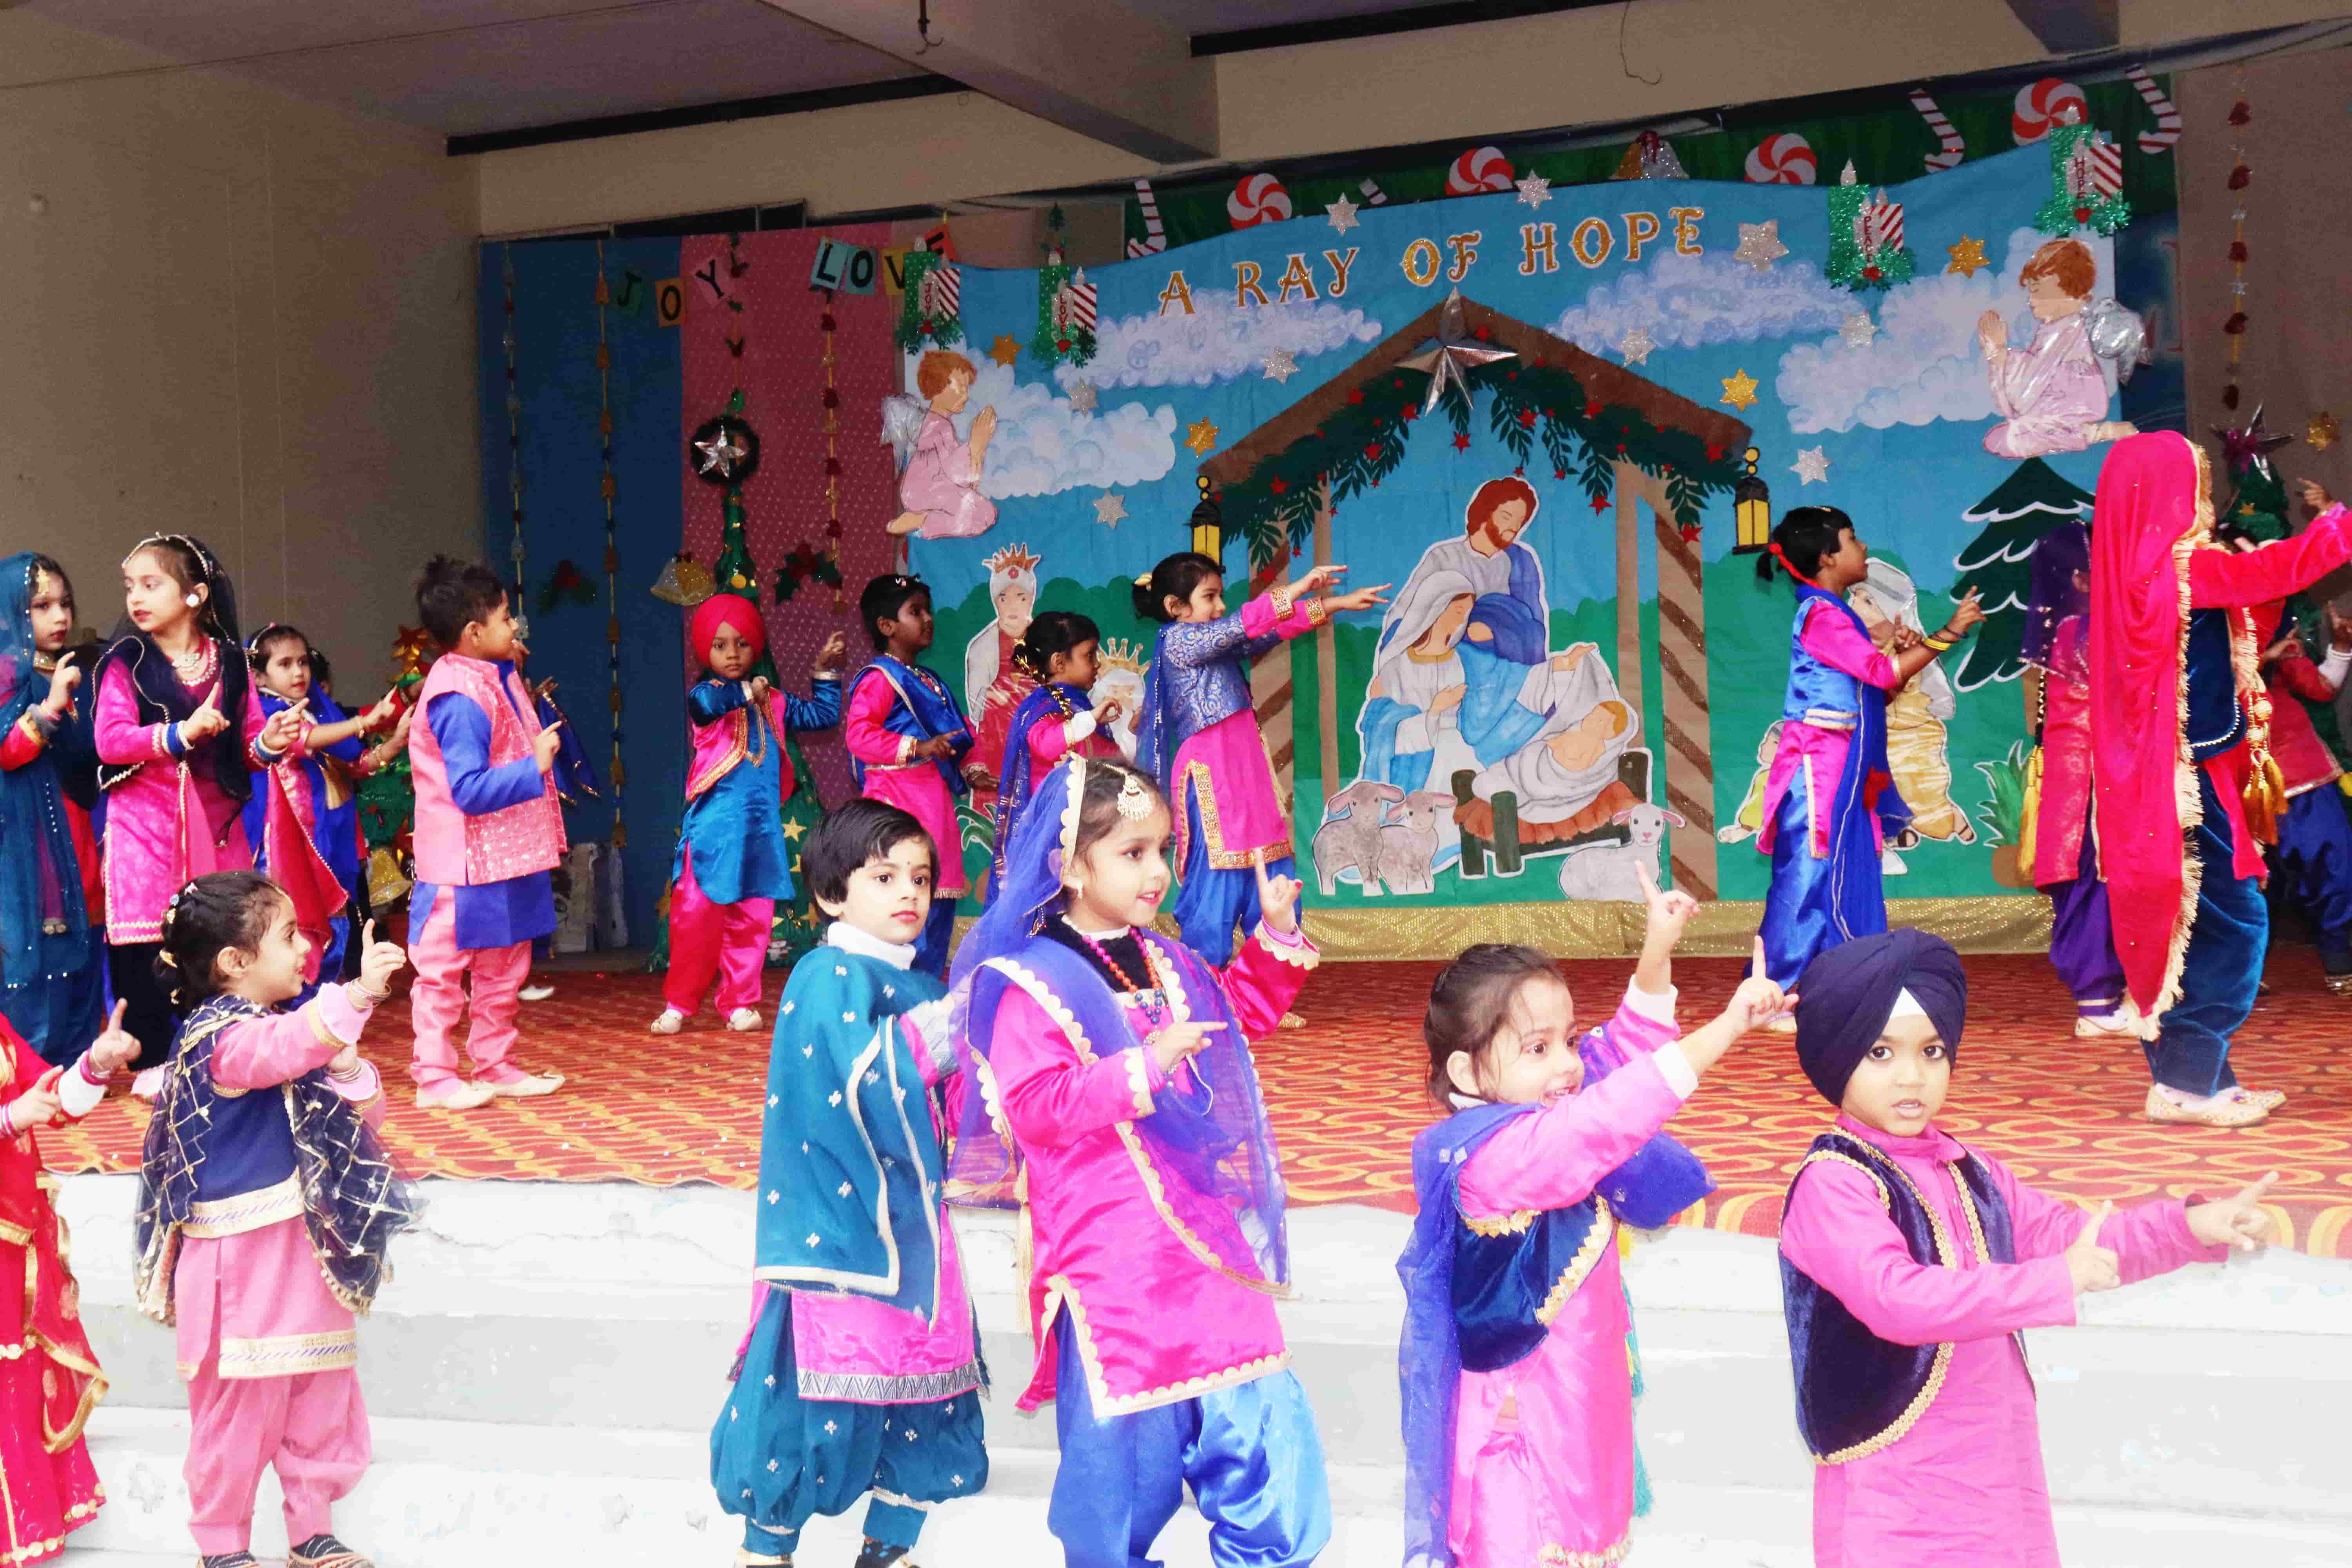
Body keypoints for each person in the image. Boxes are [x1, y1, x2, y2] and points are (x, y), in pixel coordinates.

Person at [1777, 927, 2276, 1568]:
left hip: (1995, 1462)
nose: (1912, 1076)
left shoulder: (1972, 1171)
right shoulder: (1835, 1183)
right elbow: (1898, 1300)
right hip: (1893, 1480)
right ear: (1836, 1056)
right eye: (1880, 1052)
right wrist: (2055, 1281)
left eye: (1932, 1051)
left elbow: (2073, 1239)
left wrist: (2192, 1227)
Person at [946, 757, 1328, 1567]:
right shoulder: (1031, 981)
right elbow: (1035, 1106)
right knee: (1128, 1441)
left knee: (1252, 1396)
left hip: (1200, 1230)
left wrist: (1275, 937)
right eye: (1133, 853)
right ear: (1069, 866)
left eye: (1163, 851)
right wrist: (1144, 1067)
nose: (1158, 872)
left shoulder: (1167, 959)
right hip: (1107, 1245)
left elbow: (1233, 1016)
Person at [1396, 875, 1782, 1568]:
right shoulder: (1494, 1155)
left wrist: (1658, 948)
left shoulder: (1536, 1111)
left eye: (1567, 1040)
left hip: (1574, 1400)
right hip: (1525, 1425)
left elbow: (1619, 1054)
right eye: (1538, 1048)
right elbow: (1609, 1115)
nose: (1569, 1065)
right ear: (1468, 1072)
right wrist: (1728, 1026)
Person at [710, 800, 985, 1568]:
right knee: (809, 1400)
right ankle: (766, 1551)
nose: (910, 892)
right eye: (885, 876)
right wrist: (943, 1035)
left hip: (912, 1229)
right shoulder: (827, 974)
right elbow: (867, 1075)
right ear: (832, 894)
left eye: (921, 878)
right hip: (836, 1236)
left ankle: (890, 1548)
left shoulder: (915, 983)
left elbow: (943, 1098)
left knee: (923, 1390)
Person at [134, 871, 419, 1568]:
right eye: (289, 937)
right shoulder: (220, 1038)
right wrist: (355, 998)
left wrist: (347, 1065)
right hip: (239, 1263)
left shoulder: (280, 1028)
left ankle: (311, 1530)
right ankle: (223, 1546)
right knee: (238, 1409)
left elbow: (360, 1121)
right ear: (235, 962)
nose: (304, 950)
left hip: (305, 1249)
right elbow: (279, 1054)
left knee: (321, 1391)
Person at [2090, 435, 2352, 1125]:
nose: (2206, 506)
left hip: (2177, 775)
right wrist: (2340, 524)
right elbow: (2275, 572)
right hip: (2188, 786)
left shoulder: (2135, 574)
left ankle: (2190, 1079)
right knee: (2233, 926)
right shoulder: (2181, 569)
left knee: (2198, 925)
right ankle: (2190, 1083)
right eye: (2198, 490)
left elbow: (2253, 607)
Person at [1751, 508, 1983, 1010]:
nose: (1863, 548)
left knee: (1843, 873)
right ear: (1827, 558)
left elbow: (1876, 692)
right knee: (1806, 879)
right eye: (1852, 540)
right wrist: (1949, 632)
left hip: (1845, 765)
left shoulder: (1839, 614)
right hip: (1819, 768)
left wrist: (1899, 654)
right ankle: (1770, 995)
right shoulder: (1823, 615)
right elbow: (1880, 675)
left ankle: (1838, 983)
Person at [95, 536, 300, 1080]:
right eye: (131, 587)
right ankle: (154, 1061)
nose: (136, 598)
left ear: (196, 594)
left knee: (223, 934)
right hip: (143, 821)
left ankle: (224, 1050)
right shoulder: (126, 661)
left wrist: (271, 742)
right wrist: (178, 733)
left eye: (151, 584)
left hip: (215, 822)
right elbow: (110, 741)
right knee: (147, 938)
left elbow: (249, 745)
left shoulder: (230, 663)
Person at [1134, 552, 1386, 967]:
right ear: (1175, 607)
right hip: (1213, 774)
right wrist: (1299, 587)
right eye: (1210, 597)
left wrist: (1336, 604)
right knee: (1217, 873)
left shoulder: (1213, 642)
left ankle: (1267, 978)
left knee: (1271, 864)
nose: (1220, 606)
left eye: (1220, 596)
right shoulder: (1179, 640)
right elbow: (1244, 624)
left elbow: (1270, 630)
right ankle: (1208, 981)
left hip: (1247, 770)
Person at [404, 556, 568, 1111]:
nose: (515, 626)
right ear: (474, 633)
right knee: (443, 974)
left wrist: (508, 665)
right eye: (505, 618)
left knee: (504, 969)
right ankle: (434, 1077)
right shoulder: (457, 696)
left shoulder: (488, 672)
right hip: (462, 865)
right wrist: (535, 765)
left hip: (505, 858)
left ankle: (495, 1066)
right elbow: (469, 790)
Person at [652, 594, 846, 1035]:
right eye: (720, 645)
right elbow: (708, 707)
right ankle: (679, 1003)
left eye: (742, 643)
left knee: (752, 920)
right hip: (712, 833)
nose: (733, 654)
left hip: (760, 832)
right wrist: (746, 693)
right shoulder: (706, 695)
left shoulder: (774, 701)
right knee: (696, 917)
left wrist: (825, 671)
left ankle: (739, 1002)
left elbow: (822, 715)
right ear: (706, 651)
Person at [0, 998, 138, 1564]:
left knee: (14, 1373)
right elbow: (20, 1111)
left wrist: (95, 1065)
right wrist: (9, 1119)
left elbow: (51, 1099)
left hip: (11, 1231)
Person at [241, 625, 399, 997]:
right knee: (295, 929)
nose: (299, 672)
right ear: (260, 676)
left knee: (333, 925)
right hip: (289, 842)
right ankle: (293, 1012)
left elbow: (355, 763)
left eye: (303, 662)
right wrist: (364, 722)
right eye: (285, 664)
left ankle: (318, 1009)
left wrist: (396, 742)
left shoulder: (317, 712)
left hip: (327, 840)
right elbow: (305, 740)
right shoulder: (266, 713)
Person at [2016, 522, 2130, 1035]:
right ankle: (2098, 1004)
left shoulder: (2067, 630)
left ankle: (2103, 998)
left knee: (2091, 883)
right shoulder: (2083, 631)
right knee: (2092, 882)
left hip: (2080, 776)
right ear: (2081, 580)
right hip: (2089, 779)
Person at [0, 552, 106, 1066]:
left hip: (78, 824)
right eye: (41, 606)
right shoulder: (7, 671)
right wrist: (49, 708)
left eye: (65, 604)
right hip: (29, 837)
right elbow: (8, 752)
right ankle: (31, 1070)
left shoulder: (73, 671)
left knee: (85, 935)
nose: (60, 616)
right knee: (39, 944)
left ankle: (76, 1064)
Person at [842, 574, 972, 978]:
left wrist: (976, 768)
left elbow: (960, 731)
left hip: (934, 801)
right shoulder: (880, 679)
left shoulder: (929, 681)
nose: (928, 619)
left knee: (937, 896)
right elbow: (858, 736)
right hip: (897, 802)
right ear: (887, 626)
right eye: (915, 612)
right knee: (903, 897)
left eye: (927, 610)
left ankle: (926, 991)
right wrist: (918, 747)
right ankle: (894, 990)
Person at [2252, 580, 2352, 993]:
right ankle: (2241, 977)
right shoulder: (2194, 627)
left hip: (2300, 772)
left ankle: (2341, 964)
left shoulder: (2275, 630)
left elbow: (2320, 689)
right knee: (2247, 885)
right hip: (2234, 779)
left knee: (2336, 869)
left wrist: (2341, 647)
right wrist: (2261, 659)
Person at [987, 609, 1123, 896]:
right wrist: (1090, 720)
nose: (1097, 664)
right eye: (1089, 655)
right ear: (1059, 662)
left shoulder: (1080, 707)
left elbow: (1114, 760)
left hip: (1086, 827)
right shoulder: (1042, 705)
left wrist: (1132, 732)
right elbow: (1046, 744)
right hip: (1052, 831)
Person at [1846, 560, 1975, 855]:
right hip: (1876, 735)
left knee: (1918, 780)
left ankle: (1945, 819)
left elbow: (1893, 686)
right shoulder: (1852, 651)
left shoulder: (1906, 648)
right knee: (1881, 782)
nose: (1855, 607)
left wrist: (1909, 651)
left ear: (1895, 612)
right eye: (1854, 599)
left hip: (1910, 732)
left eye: (1867, 601)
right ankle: (1894, 829)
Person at [1977, 237, 2137, 459]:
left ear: (2071, 294)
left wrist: (1999, 353)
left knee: (2007, 440)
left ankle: (2097, 432)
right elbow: (2018, 403)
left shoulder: (2066, 330)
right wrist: (1997, 355)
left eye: (2037, 291)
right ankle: (2092, 432)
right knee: (2001, 437)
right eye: (2030, 292)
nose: (2031, 301)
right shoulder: (2053, 330)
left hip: (2071, 408)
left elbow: (2025, 394)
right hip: (2053, 407)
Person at [886, 349, 998, 541]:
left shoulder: (940, 423)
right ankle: (922, 521)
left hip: (933, 489)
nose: (966, 396)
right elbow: (956, 474)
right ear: (938, 387)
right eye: (961, 387)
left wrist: (978, 449)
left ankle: (923, 520)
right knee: (984, 514)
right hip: (923, 492)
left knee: (984, 512)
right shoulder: (937, 426)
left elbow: (965, 480)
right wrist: (976, 443)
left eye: (967, 388)